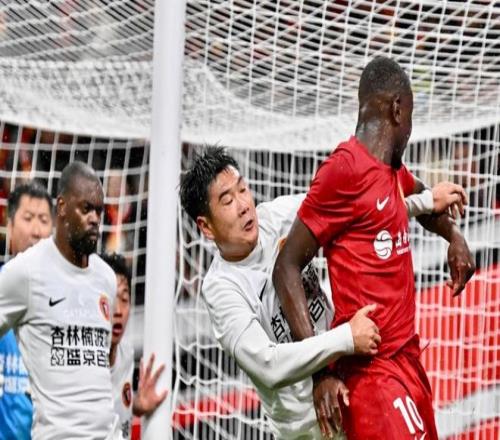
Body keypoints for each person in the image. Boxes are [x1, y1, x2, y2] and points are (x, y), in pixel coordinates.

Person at [179, 147, 466, 439]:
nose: (243, 205)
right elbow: (268, 365)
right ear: (206, 226)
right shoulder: (222, 289)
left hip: (350, 389)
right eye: (227, 200)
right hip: (307, 429)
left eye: (243, 189)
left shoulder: (279, 215)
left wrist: (425, 202)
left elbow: (357, 211)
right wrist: (346, 338)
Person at [272, 57, 475, 440]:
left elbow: (423, 200)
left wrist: (454, 236)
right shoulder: (344, 169)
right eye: (410, 115)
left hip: (407, 362)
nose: (410, 129)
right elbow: (286, 266)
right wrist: (319, 369)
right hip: (371, 374)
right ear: (397, 109)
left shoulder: (391, 169)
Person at [0, 161, 119, 439]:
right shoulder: (26, 272)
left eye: (99, 211)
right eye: (86, 209)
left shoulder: (106, 278)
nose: (94, 219)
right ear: (62, 207)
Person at [0, 181, 53, 440]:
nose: (36, 231)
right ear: (9, 227)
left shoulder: (66, 298)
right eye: (28, 218)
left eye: (44, 220)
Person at [100, 252, 167, 439]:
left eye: (124, 299)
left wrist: (136, 405)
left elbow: (116, 408)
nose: (118, 311)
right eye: (110, 299)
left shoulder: (126, 355)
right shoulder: (81, 364)